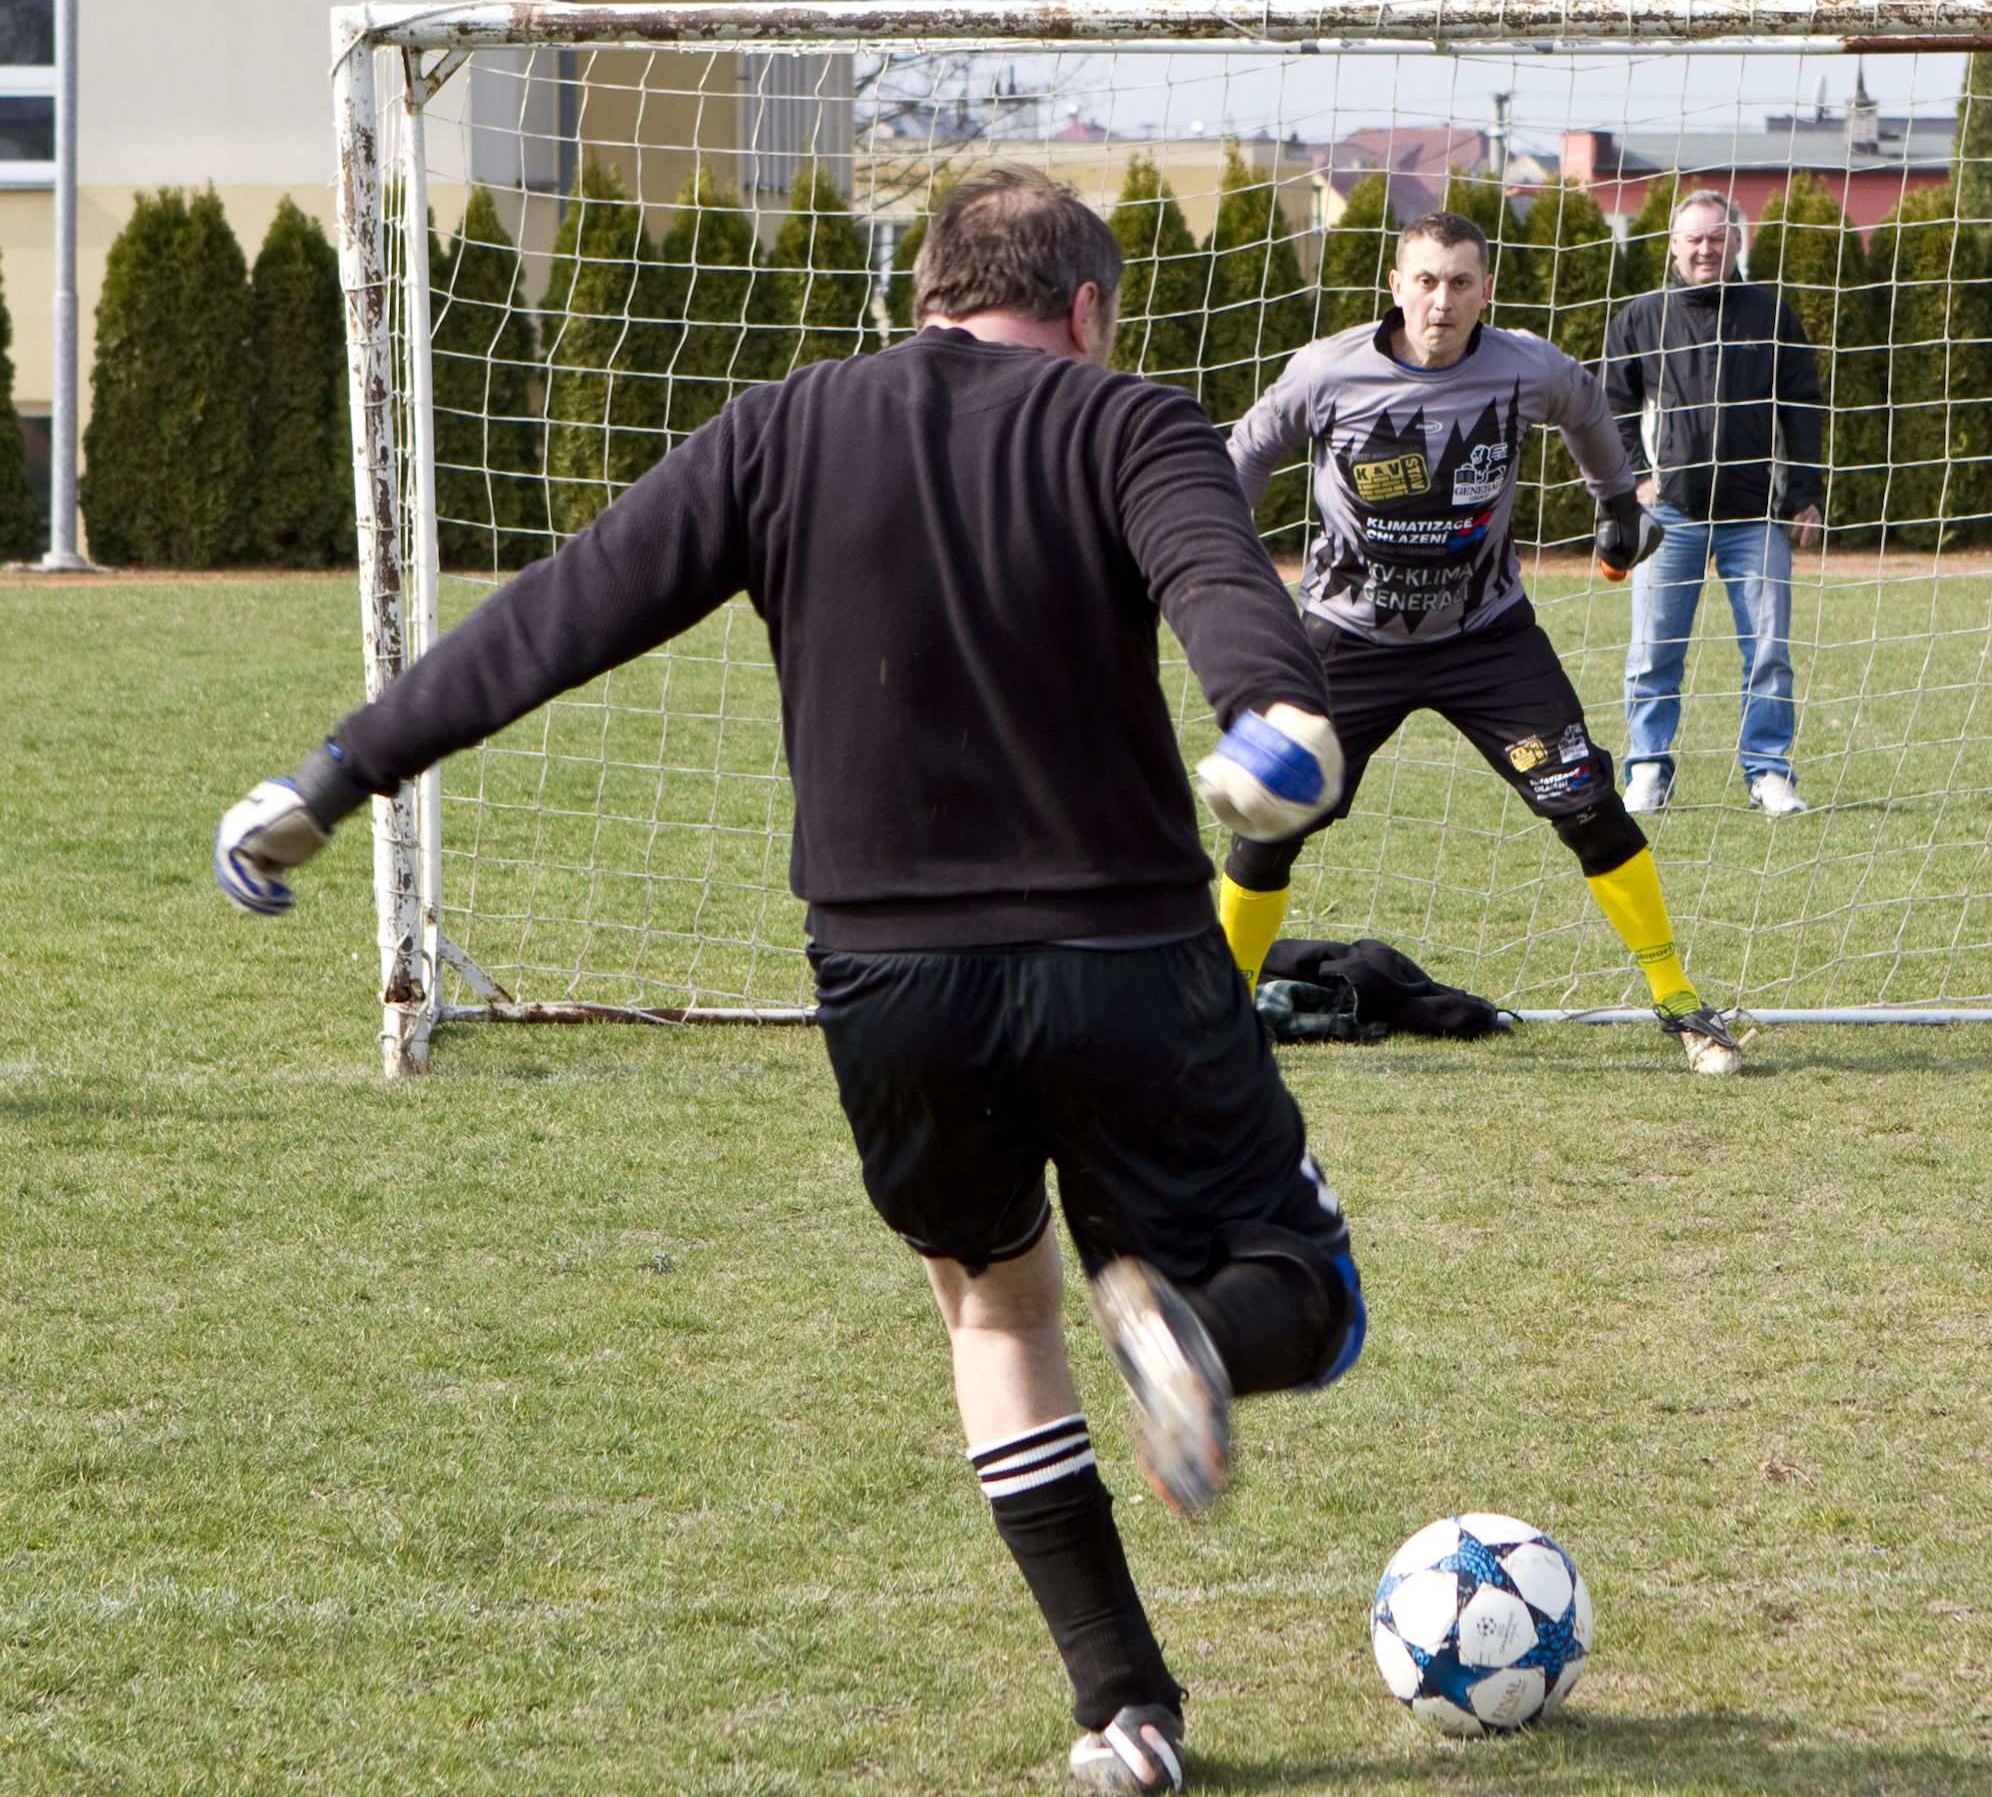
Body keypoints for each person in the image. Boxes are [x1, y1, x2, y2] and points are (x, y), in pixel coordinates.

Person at [212, 166, 1366, 1795]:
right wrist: (1274, 718)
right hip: (1124, 956)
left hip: (892, 980)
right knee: (1307, 1291)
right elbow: (1224, 592)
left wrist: (338, 770)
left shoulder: (780, 429)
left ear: (924, 297)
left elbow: (560, 611)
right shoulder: (1128, 423)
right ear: (1088, 308)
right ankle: (1191, 1331)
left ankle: (1125, 1708)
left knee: (993, 1295)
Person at [1220, 209, 1744, 1077]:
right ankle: (1222, 1016)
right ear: (1395, 286)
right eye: (1425, 280)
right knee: (1267, 821)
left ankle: (1682, 1003)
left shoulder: (1525, 366)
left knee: (1586, 806)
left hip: (1487, 639)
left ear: (1486, 290)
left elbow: (1585, 405)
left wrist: (1616, 504)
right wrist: (1228, 574)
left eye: (1461, 281)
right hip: (1345, 641)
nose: (1442, 300)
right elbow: (1241, 460)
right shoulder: (1326, 372)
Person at [1601, 188, 1827, 817]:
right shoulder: (1640, 318)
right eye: (1695, 237)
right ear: (1673, 245)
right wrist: (1636, 480)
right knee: (1652, 653)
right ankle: (1647, 769)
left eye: (1719, 237)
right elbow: (1609, 409)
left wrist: (1804, 492)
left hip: (1754, 517)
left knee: (1769, 651)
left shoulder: (1771, 315)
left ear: (1736, 243)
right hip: (1666, 516)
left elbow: (1803, 406)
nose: (1707, 248)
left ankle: (1768, 774)